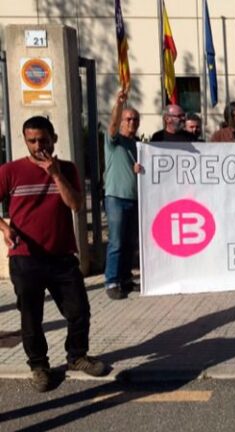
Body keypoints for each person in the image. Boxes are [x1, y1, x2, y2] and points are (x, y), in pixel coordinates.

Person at [0, 116, 109, 392]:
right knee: (31, 315)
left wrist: (55, 174)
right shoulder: (10, 171)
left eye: (44, 140)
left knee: (79, 310)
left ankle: (77, 356)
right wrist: (4, 227)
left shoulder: (68, 169)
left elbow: (75, 205)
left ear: (54, 139)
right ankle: (39, 366)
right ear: (25, 141)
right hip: (25, 256)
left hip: (61, 255)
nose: (38, 146)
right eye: (32, 141)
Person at [103, 88, 142, 300]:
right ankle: (111, 281)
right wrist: (118, 103)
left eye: (135, 119)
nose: (132, 123)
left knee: (129, 242)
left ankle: (125, 278)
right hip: (116, 198)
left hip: (134, 199)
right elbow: (111, 125)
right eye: (128, 119)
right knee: (116, 241)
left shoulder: (137, 145)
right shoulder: (114, 140)